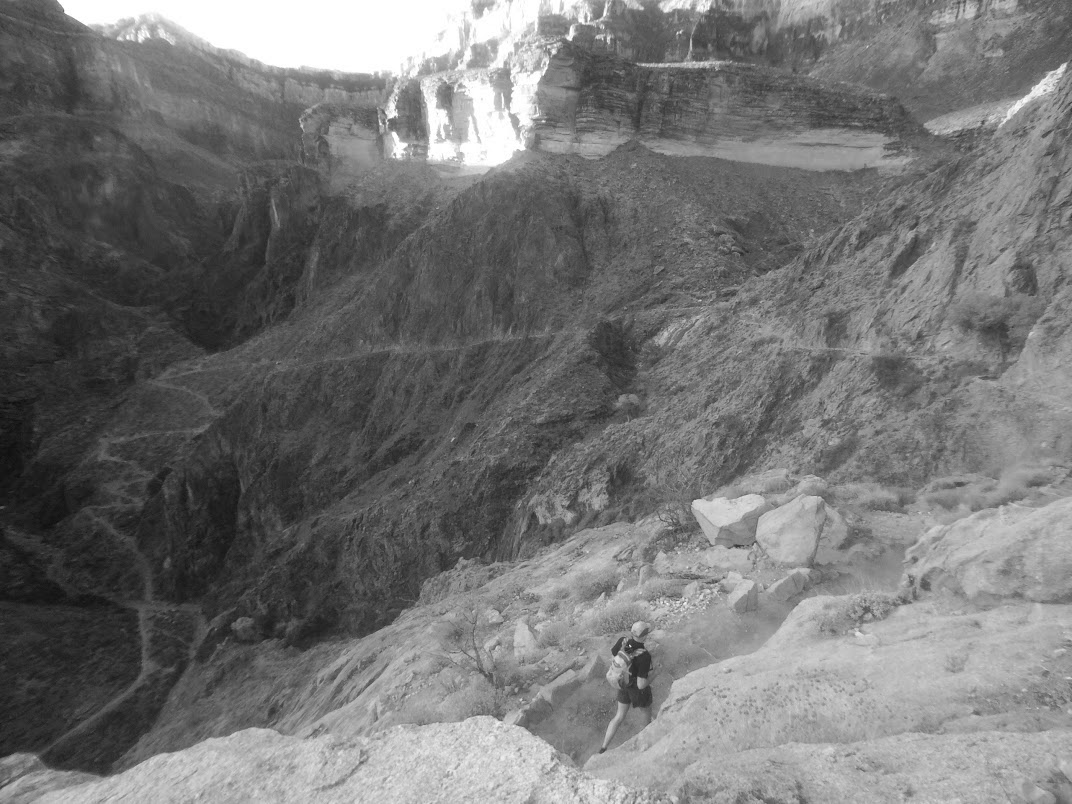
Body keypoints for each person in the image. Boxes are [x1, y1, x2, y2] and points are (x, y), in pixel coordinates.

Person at [599, 620, 653, 754]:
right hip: (636, 689)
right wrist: (655, 674)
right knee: (646, 714)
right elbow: (641, 685)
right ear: (645, 636)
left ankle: (603, 747)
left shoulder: (623, 641)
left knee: (619, 716)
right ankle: (646, 745)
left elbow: (614, 654)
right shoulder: (644, 655)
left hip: (622, 683)